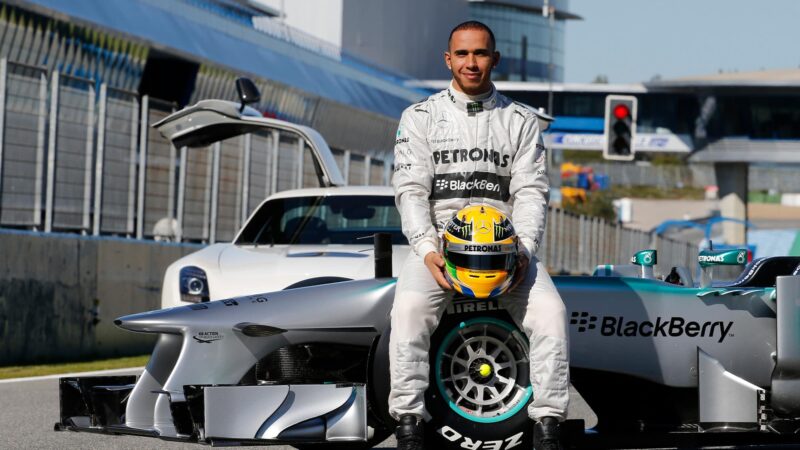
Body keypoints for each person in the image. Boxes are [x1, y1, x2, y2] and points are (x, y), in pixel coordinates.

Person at [389, 21, 570, 450]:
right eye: (464, 54)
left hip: (507, 254)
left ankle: (547, 425)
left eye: (481, 54)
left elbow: (530, 191)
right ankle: (410, 421)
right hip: (441, 250)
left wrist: (524, 249)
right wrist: (427, 250)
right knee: (409, 313)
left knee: (551, 314)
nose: (472, 63)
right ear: (448, 59)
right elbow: (410, 189)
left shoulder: (521, 121)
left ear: (495, 59)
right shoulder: (419, 118)